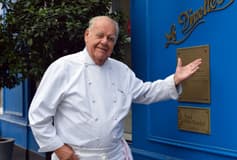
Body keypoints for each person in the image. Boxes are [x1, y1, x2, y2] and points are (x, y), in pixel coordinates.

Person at [28, 16, 202, 160]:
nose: (105, 42)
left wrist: (175, 80)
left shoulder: (121, 70)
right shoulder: (63, 67)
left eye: (111, 39)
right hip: (76, 157)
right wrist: (58, 148)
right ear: (87, 35)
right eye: (100, 35)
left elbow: (145, 92)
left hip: (114, 155)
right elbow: (38, 114)